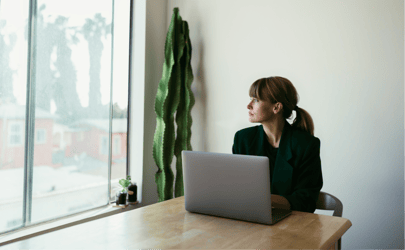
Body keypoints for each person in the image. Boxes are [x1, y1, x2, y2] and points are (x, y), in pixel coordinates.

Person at [232, 76, 323, 213]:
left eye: (256, 100)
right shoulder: (243, 139)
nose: (249, 105)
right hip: (250, 218)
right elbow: (236, 187)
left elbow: (306, 201)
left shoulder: (306, 145)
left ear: (276, 107)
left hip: (292, 224)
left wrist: (262, 200)